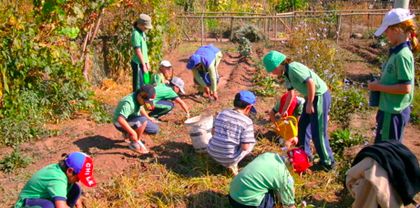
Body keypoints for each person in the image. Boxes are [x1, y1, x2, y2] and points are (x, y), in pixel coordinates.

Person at [263, 50, 335, 171]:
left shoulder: (293, 67)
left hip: (319, 96)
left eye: (272, 70)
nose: (272, 73)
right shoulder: (286, 74)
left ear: (278, 65)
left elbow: (311, 83)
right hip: (310, 97)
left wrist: (310, 103)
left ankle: (328, 164)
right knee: (302, 127)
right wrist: (284, 111)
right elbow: (291, 94)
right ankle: (306, 156)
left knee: (318, 132)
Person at [367, 8, 417, 143]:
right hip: (389, 109)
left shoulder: (402, 55)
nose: (386, 35)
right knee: (387, 149)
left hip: (393, 112)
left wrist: (378, 87)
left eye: (387, 31)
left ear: (397, 30)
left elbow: (405, 88)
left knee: (386, 151)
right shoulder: (397, 53)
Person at [15, 152, 96, 208]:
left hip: (45, 198)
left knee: (75, 189)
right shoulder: (57, 180)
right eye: (78, 177)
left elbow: (77, 200)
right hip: (27, 203)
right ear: (70, 171)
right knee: (48, 206)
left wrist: (79, 205)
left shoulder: (64, 172)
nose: (79, 180)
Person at [207, 90, 257, 175]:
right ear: (248, 107)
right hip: (228, 158)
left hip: (212, 151)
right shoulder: (247, 121)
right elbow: (245, 147)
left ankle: (223, 159)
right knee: (251, 142)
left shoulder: (222, 113)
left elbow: (213, 132)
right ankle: (232, 164)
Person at [229, 152, 296, 208]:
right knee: (273, 195)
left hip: (232, 196)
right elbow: (289, 205)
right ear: (294, 168)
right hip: (246, 204)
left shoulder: (268, 155)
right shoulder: (284, 176)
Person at [113, 85, 159, 154]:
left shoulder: (139, 98)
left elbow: (141, 108)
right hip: (119, 123)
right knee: (142, 120)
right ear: (140, 96)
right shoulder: (128, 103)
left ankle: (128, 133)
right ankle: (134, 143)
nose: (146, 103)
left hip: (131, 119)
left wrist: (149, 118)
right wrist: (133, 132)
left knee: (154, 129)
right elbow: (120, 119)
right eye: (145, 101)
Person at [131, 14, 153, 92]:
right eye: (146, 27)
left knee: (144, 84)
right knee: (138, 86)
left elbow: (144, 49)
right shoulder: (135, 34)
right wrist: (143, 65)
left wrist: (147, 63)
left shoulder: (142, 33)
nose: (146, 29)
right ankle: (136, 101)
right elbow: (138, 51)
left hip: (143, 62)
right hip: (138, 63)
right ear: (141, 25)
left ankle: (142, 101)